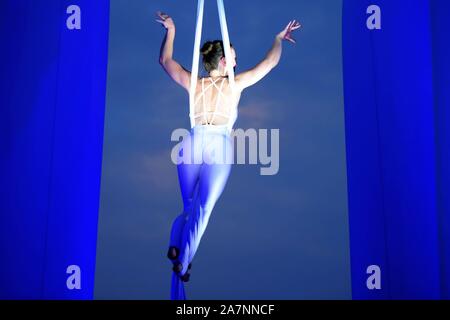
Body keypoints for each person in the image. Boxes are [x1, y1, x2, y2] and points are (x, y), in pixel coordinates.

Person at [156, 10, 301, 298]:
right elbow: (269, 63)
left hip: (192, 143)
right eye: (233, 57)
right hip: (217, 145)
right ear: (223, 62)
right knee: (203, 209)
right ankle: (182, 263)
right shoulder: (233, 86)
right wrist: (277, 39)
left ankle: (177, 248)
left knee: (187, 208)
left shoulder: (193, 84)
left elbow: (165, 61)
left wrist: (170, 30)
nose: (236, 61)